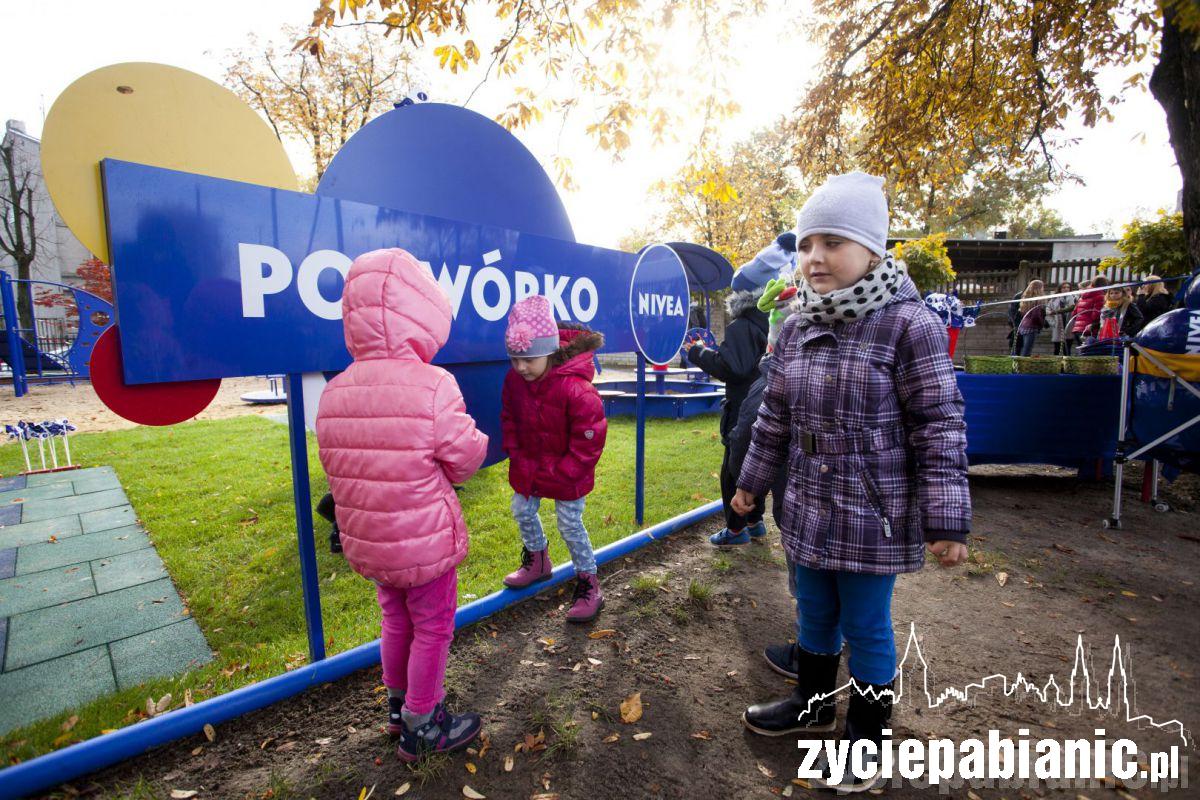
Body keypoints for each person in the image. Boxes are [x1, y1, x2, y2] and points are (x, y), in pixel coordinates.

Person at [732, 172, 971, 793]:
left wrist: (946, 520)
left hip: (874, 510)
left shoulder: (906, 324)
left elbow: (939, 423)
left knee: (865, 624)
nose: (814, 257)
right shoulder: (798, 323)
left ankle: (866, 737)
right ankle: (811, 706)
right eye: (807, 244)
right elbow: (774, 416)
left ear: (873, 250)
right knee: (812, 610)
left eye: (832, 242)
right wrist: (751, 484)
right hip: (808, 503)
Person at [315, 248, 489, 761]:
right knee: (433, 625)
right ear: (420, 311)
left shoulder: (335, 392)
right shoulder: (434, 386)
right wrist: (475, 441)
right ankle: (423, 722)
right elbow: (463, 460)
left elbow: (338, 465)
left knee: (394, 619)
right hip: (423, 539)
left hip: (371, 541)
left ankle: (396, 710)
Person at [499, 295, 609, 623]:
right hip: (531, 464)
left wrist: (565, 472)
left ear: (550, 351)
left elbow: (589, 441)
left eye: (529, 359)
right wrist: (517, 456)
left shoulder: (577, 390)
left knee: (570, 523)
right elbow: (509, 419)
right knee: (521, 509)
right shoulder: (514, 381)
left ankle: (589, 582)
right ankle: (538, 560)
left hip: (566, 472)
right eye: (515, 359)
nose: (521, 367)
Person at [686, 252, 773, 547]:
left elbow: (730, 367)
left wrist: (698, 352)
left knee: (733, 469)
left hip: (742, 409)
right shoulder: (771, 321)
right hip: (766, 406)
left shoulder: (742, 326)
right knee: (758, 464)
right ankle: (755, 519)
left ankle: (736, 529)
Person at [1071, 274, 1109, 341]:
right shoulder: (1100, 296)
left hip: (1077, 329)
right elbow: (1096, 316)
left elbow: (1074, 313)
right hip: (1089, 330)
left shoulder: (1082, 296)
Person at [1015, 279, 1047, 356]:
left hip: (1023, 326)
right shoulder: (1038, 300)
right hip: (1031, 327)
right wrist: (1041, 324)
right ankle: (1022, 366)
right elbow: (1036, 316)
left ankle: (1019, 365)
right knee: (1027, 350)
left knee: (1023, 349)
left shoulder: (1026, 299)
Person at [1046, 281, 1077, 356]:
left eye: (1068, 287)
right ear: (1060, 289)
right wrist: (1053, 323)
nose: (1066, 289)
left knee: (1067, 349)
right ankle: (1056, 365)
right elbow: (1048, 311)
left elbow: (1075, 310)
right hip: (1058, 326)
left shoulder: (1074, 298)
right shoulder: (1054, 299)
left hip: (1069, 326)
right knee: (1057, 349)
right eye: (1064, 287)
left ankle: (1066, 366)